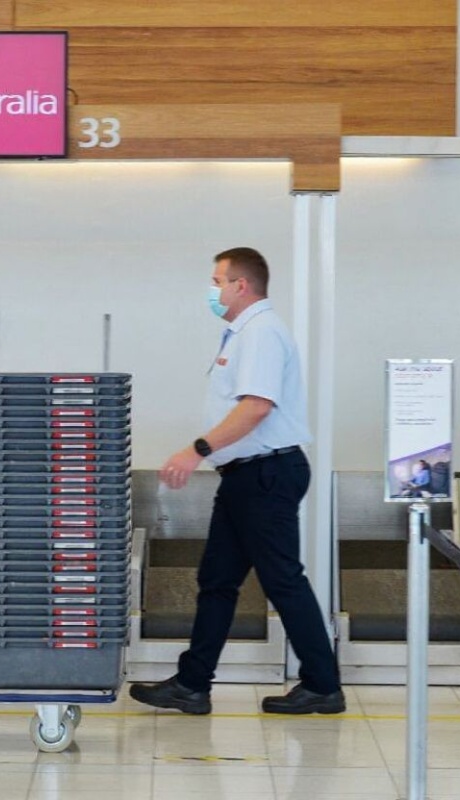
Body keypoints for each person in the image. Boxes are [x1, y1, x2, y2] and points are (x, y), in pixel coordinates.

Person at [129, 247, 344, 716]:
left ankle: (323, 685)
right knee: (218, 579)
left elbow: (256, 406)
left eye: (217, 280)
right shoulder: (243, 333)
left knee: (283, 580)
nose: (213, 289)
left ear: (240, 285)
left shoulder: (261, 333)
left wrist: (196, 450)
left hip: (266, 473)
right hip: (248, 475)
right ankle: (192, 683)